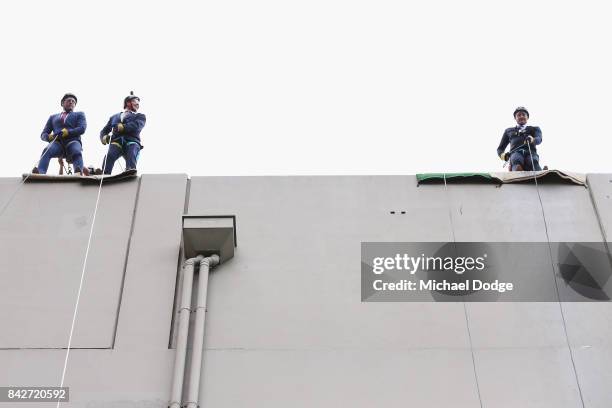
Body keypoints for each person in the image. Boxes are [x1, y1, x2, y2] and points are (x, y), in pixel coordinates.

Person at [33, 93, 88, 175]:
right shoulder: (53, 117)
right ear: (62, 103)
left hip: (72, 141)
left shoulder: (79, 114)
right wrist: (48, 137)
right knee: (47, 150)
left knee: (76, 151)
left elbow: (82, 128)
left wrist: (68, 132)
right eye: (69, 100)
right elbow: (43, 134)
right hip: (57, 143)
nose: (71, 102)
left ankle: (78, 172)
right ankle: (40, 172)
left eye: (73, 102)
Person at [98, 92, 146, 175]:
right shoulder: (114, 117)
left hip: (132, 140)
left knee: (132, 153)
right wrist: (104, 137)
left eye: (138, 103)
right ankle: (105, 173)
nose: (138, 104)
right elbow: (104, 130)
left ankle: (130, 171)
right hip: (117, 140)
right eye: (135, 101)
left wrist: (124, 127)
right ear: (128, 102)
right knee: (109, 155)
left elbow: (137, 125)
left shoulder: (140, 116)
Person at [497, 106, 542, 171]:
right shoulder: (508, 131)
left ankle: (541, 175)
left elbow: (539, 139)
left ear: (527, 117)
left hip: (531, 152)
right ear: (515, 118)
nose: (521, 116)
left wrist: (533, 139)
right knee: (517, 159)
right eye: (518, 115)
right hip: (515, 153)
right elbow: (500, 149)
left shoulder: (535, 129)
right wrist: (504, 156)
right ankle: (518, 173)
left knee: (533, 161)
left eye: (523, 115)